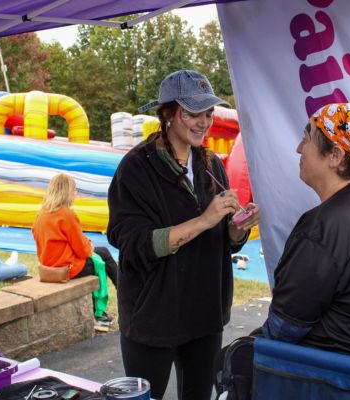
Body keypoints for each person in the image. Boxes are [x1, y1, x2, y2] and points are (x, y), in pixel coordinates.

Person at [218, 103, 350, 400]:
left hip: (349, 376)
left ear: (335, 156)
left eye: (307, 138)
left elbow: (283, 329)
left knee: (229, 359)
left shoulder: (323, 228)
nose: (299, 148)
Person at [107, 69, 261, 400]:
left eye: (208, 113)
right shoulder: (135, 169)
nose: (204, 122)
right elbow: (134, 244)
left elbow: (223, 241)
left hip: (204, 314)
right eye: (192, 113)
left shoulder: (210, 165)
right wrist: (204, 220)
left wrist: (236, 229)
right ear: (167, 114)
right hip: (153, 318)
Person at [32, 173, 119, 326]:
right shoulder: (67, 215)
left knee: (102, 253)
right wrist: (89, 245)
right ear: (67, 192)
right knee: (102, 257)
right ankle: (107, 306)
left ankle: (108, 303)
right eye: (74, 190)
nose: (76, 194)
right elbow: (83, 251)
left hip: (48, 268)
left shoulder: (42, 213)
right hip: (67, 269)